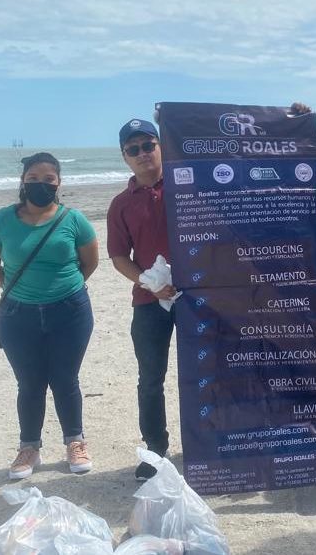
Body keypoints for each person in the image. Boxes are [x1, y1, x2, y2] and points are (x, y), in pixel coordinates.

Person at [0, 152, 99, 480]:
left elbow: (90, 262)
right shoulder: (1, 220)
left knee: (65, 379)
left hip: (71, 312)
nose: (40, 185)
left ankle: (75, 441)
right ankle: (29, 447)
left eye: (48, 180)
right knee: (29, 383)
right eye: (33, 179)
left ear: (59, 183)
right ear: (22, 182)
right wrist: (24, 291)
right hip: (18, 315)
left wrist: (62, 289)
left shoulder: (73, 219)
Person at [107, 117, 178, 481]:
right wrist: (147, 282)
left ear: (161, 146)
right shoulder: (121, 204)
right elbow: (119, 256)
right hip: (150, 301)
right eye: (133, 149)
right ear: (125, 157)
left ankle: (214, 438)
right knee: (150, 378)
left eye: (148, 145)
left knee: (213, 371)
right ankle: (155, 449)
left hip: (198, 297)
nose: (142, 153)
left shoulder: (188, 185)